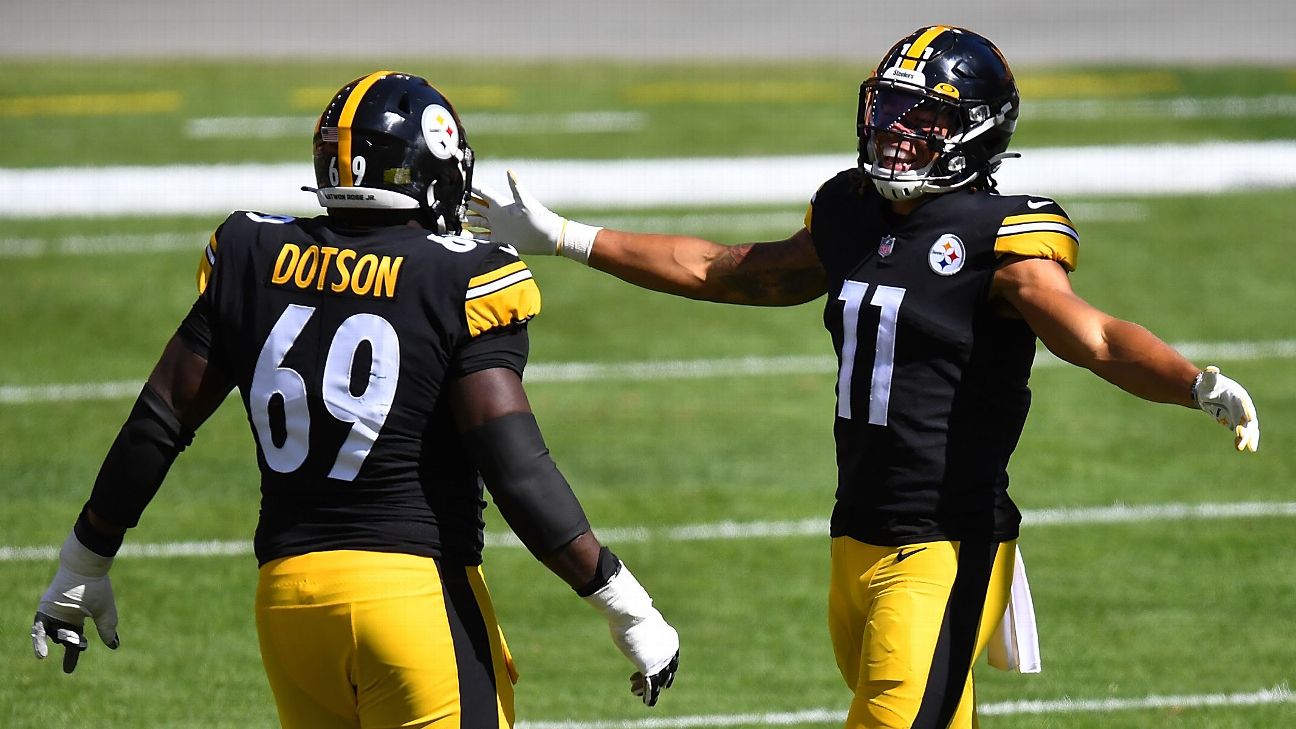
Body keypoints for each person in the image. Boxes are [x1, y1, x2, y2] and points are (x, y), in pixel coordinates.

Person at [466, 25, 1260, 729]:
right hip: (854, 537)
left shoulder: (1004, 237)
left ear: (976, 131)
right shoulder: (854, 209)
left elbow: (1094, 337)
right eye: (891, 109)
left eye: (925, 117)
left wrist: (1194, 383)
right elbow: (729, 268)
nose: (897, 132)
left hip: (944, 545)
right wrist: (567, 236)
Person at [30, 70, 680, 729]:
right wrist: (624, 603)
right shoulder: (460, 273)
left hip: (288, 602)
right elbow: (515, 465)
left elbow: (160, 418)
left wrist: (83, 561)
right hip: (412, 598)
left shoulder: (254, 251)